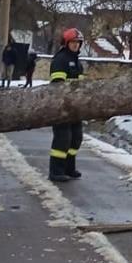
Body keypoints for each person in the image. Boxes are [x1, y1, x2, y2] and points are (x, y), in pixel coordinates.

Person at [48, 28, 84, 182]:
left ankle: (69, 168)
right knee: (63, 138)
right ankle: (56, 171)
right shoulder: (60, 59)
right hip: (61, 107)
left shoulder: (78, 63)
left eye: (78, 43)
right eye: (73, 42)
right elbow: (58, 86)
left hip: (75, 108)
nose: (76, 45)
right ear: (66, 43)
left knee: (76, 137)